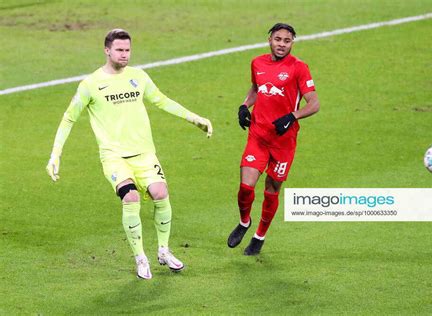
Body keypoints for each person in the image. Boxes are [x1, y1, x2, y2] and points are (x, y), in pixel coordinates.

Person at [46, 29, 212, 279]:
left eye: (128, 50)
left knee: (161, 193)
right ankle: (140, 257)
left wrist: (194, 118)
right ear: (107, 50)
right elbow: (69, 118)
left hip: (145, 154)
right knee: (131, 198)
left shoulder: (138, 76)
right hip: (114, 157)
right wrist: (55, 154)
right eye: (120, 50)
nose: (125, 55)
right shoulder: (90, 84)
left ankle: (164, 251)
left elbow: (162, 100)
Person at [227, 23, 320, 255]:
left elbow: (314, 104)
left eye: (286, 41)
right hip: (258, 135)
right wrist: (243, 105)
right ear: (270, 39)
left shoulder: (299, 68)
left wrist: (292, 116)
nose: (281, 44)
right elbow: (256, 88)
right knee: (245, 186)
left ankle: (259, 236)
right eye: (277, 39)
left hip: (283, 141)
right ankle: (244, 221)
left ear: (292, 43)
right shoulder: (257, 62)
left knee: (271, 189)